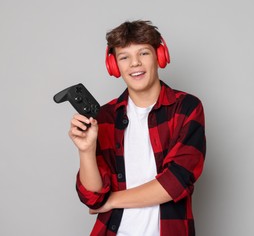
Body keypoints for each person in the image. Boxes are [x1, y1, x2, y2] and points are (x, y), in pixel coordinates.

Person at [68, 20, 206, 236]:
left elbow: (177, 181)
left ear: (160, 57)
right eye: (124, 57)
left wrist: (112, 200)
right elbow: (93, 197)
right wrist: (85, 150)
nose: (134, 63)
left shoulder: (186, 108)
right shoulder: (104, 117)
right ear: (114, 66)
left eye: (143, 53)